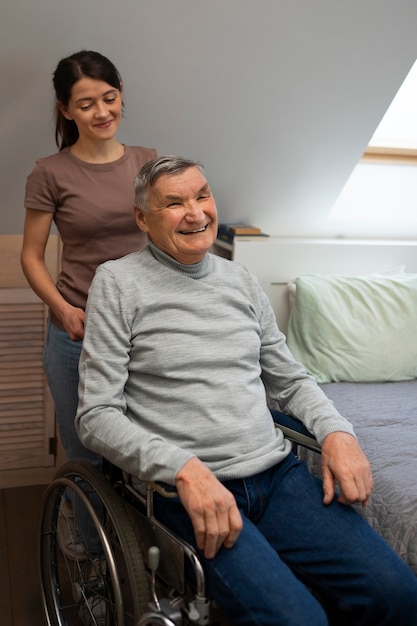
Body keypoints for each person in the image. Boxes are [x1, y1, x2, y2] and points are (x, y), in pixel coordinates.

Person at [75, 155, 417, 625]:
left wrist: (339, 433)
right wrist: (185, 470)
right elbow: (96, 416)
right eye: (174, 203)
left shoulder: (240, 280)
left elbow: (291, 379)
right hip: (191, 487)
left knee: (397, 592)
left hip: (277, 477)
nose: (196, 213)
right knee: (297, 619)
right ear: (142, 218)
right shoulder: (117, 283)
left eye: (202, 195)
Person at [20, 50, 156, 557]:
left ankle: (142, 553)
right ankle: (91, 557)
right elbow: (31, 256)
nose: (101, 112)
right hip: (76, 331)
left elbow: (165, 241)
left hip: (143, 331)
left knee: (145, 447)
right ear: (65, 110)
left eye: (109, 98)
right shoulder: (50, 172)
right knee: (87, 451)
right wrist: (61, 308)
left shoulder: (148, 162)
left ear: (120, 95)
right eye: (85, 104)